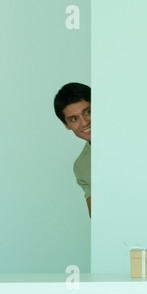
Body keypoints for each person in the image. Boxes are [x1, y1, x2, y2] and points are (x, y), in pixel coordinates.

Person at [54, 83, 91, 218]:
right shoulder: (81, 166)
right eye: (74, 119)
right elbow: (98, 217)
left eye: (88, 112)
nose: (85, 122)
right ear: (66, 125)